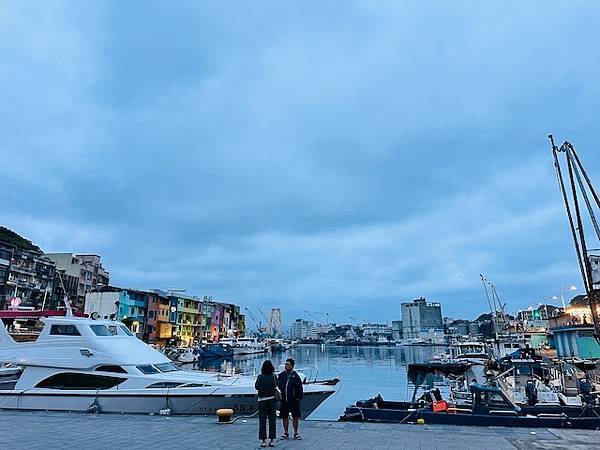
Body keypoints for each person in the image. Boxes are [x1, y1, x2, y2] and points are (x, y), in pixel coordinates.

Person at [278, 358, 303, 440]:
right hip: (284, 400)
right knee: (284, 416)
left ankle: (296, 433)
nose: (286, 366)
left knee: (295, 416)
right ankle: (286, 433)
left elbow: (300, 388)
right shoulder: (281, 375)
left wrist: (298, 398)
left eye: (288, 364)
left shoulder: (296, 376)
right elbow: (279, 385)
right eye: (285, 364)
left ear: (292, 366)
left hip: (294, 400)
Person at [255, 360, 278, 447]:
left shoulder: (260, 377)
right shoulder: (273, 376)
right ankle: (272, 439)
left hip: (262, 400)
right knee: (272, 420)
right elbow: (277, 385)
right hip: (272, 400)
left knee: (262, 421)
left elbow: (256, 386)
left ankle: (263, 440)